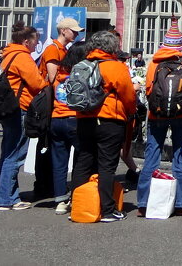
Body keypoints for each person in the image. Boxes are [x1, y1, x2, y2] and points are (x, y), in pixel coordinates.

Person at [69, 30, 137, 223]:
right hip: (109, 119)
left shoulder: (82, 65)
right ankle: (107, 209)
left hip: (83, 118)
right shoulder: (115, 67)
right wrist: (131, 112)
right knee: (107, 165)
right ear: (112, 47)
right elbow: (128, 95)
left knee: (83, 162)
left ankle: (78, 204)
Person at [137, 19, 182, 218]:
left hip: (157, 115)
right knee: (180, 157)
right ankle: (181, 203)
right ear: (181, 45)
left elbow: (148, 90)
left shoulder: (154, 62)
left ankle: (144, 203)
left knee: (152, 156)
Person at [0, 23, 46, 211]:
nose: (36, 45)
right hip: (20, 108)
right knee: (15, 155)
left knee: (8, 152)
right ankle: (8, 199)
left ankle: (3, 195)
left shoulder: (8, 54)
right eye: (35, 42)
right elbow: (37, 83)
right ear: (26, 41)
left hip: (9, 108)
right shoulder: (23, 57)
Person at [48, 41, 89, 215]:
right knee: (82, 160)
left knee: (59, 162)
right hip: (76, 119)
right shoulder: (82, 73)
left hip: (57, 118)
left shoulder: (59, 74)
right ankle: (77, 195)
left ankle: (60, 200)